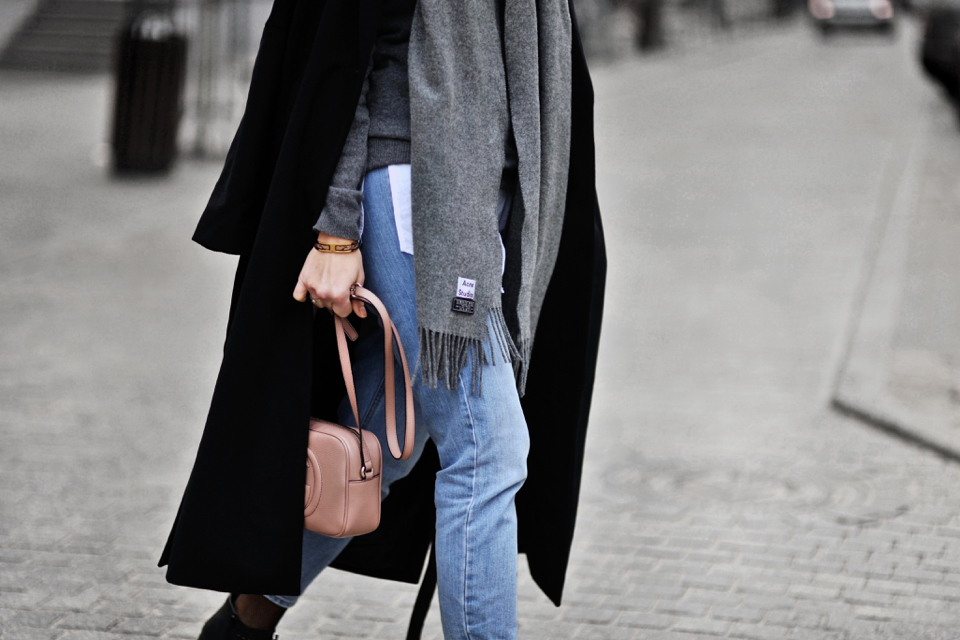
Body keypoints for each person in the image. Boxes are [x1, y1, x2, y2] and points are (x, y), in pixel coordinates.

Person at [158, 0, 606, 637]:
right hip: (415, 183)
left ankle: (244, 620)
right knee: (488, 450)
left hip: (495, 188)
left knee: (387, 443)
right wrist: (336, 227)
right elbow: (344, 46)